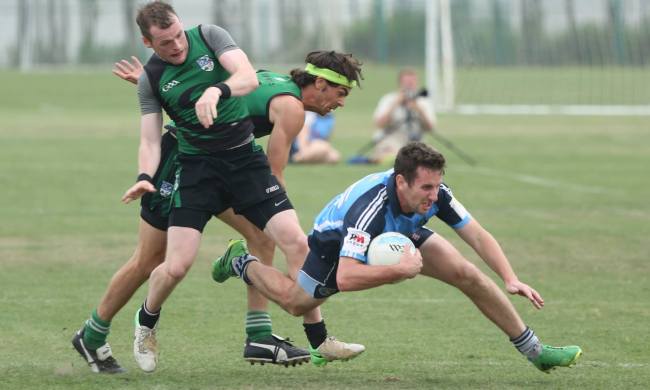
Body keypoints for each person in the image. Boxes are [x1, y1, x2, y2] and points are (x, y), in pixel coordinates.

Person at [71, 1, 365, 374]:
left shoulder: (244, 59)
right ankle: (95, 334)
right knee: (154, 260)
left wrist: (199, 93)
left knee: (271, 237)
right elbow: (272, 170)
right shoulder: (290, 108)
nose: (340, 103)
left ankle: (265, 334)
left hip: (233, 162)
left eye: (178, 35)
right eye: (340, 93)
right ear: (319, 83)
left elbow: (235, 82)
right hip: (182, 161)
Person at [212, 142, 583, 373]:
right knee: (296, 302)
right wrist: (397, 271)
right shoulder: (369, 209)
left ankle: (535, 351)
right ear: (401, 181)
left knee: (467, 274)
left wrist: (510, 276)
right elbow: (346, 277)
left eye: (437, 186)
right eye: (426, 187)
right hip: (333, 244)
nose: (434, 196)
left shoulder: (434, 195)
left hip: (400, 231)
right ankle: (241, 262)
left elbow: (477, 234)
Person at [370, 68, 436, 164]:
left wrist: (419, 110)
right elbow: (379, 124)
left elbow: (430, 128)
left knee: (433, 155)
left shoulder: (423, 101)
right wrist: (395, 104)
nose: (410, 85)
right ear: (400, 83)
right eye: (407, 82)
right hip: (392, 138)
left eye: (412, 82)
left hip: (416, 140)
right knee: (393, 155)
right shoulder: (389, 99)